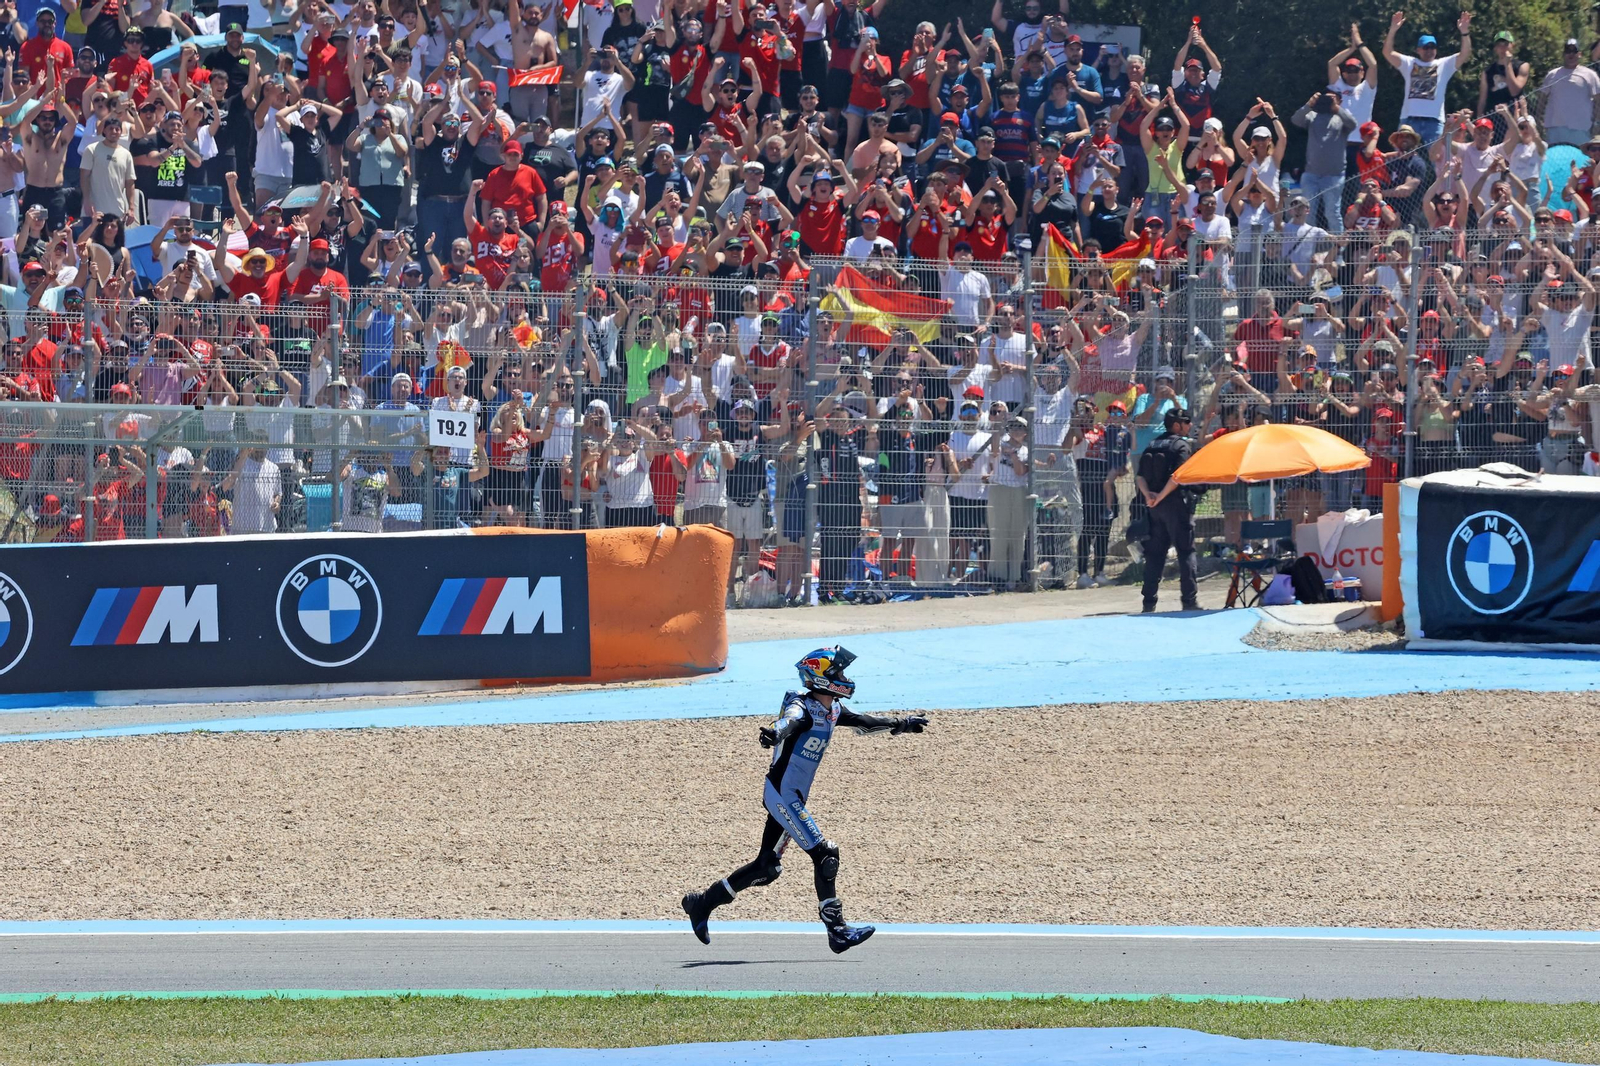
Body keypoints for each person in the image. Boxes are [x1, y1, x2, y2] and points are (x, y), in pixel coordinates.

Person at [680, 646, 927, 953]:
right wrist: (775, 732)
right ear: (820, 677)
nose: (844, 678)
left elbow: (864, 720)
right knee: (826, 855)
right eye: (837, 673)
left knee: (766, 868)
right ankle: (837, 931)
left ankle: (702, 903)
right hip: (782, 795)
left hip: (791, 796)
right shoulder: (802, 705)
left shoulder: (832, 709)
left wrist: (901, 724)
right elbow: (790, 721)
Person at [1136, 407, 1199, 613]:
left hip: (1155, 508)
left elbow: (1139, 476)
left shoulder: (1152, 445)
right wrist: (1160, 496)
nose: (1190, 425)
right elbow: (1179, 477)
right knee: (1185, 552)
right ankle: (1189, 602)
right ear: (1177, 425)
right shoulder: (1180, 446)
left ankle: (1148, 603)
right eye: (1187, 421)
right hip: (1175, 505)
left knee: (1154, 555)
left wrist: (1149, 497)